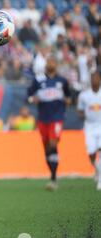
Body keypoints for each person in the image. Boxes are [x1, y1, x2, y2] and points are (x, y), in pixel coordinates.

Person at [27, 55, 72, 191]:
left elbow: (69, 96)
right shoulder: (39, 80)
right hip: (43, 118)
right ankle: (53, 175)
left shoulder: (62, 81)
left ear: (56, 64)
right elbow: (29, 95)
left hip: (57, 117)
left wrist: (68, 101)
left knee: (53, 143)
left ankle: (53, 178)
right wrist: (32, 99)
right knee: (47, 148)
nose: (50, 64)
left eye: (53, 61)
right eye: (49, 61)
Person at [77, 71, 101, 190]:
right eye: (93, 78)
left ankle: (100, 180)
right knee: (91, 153)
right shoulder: (84, 95)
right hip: (90, 127)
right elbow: (80, 110)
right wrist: (84, 115)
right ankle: (97, 170)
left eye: (97, 78)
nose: (95, 80)